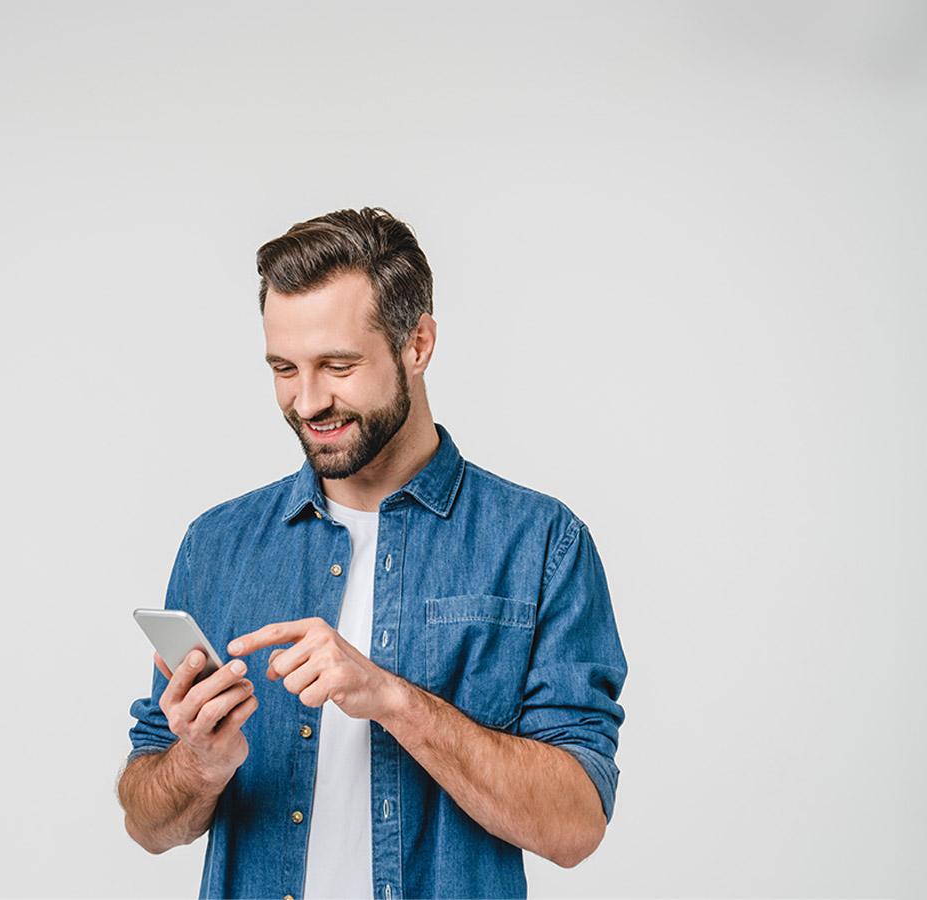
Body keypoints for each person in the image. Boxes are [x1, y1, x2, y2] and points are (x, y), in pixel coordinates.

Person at [117, 207, 627, 900]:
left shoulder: (539, 543)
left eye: (338, 365)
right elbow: (147, 825)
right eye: (283, 369)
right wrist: (197, 764)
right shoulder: (218, 545)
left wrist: (391, 698)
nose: (308, 401)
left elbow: (576, 826)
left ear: (417, 344)